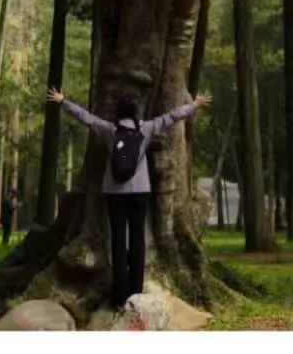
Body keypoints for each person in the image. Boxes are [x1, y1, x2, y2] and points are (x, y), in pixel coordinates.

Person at [47, 83, 211, 310]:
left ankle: (119, 293)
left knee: (117, 240)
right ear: (135, 112)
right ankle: (136, 289)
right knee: (137, 240)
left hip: (114, 193)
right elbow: (171, 116)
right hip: (140, 192)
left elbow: (85, 117)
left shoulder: (109, 130)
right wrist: (194, 104)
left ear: (118, 112)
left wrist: (63, 101)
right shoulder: (145, 129)